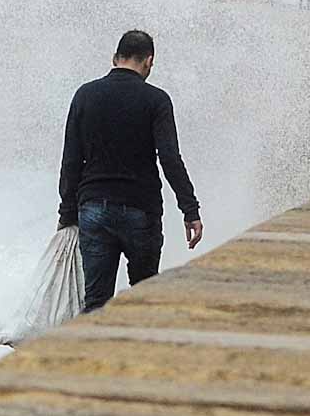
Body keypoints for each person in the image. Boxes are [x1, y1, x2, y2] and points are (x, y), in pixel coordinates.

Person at [58, 30, 204, 314]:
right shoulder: (156, 100)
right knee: (142, 300)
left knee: (96, 304)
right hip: (141, 211)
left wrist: (67, 214)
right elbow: (170, 159)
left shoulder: (85, 95)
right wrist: (190, 210)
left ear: (115, 58)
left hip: (94, 210)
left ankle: (94, 342)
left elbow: (71, 160)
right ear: (149, 61)